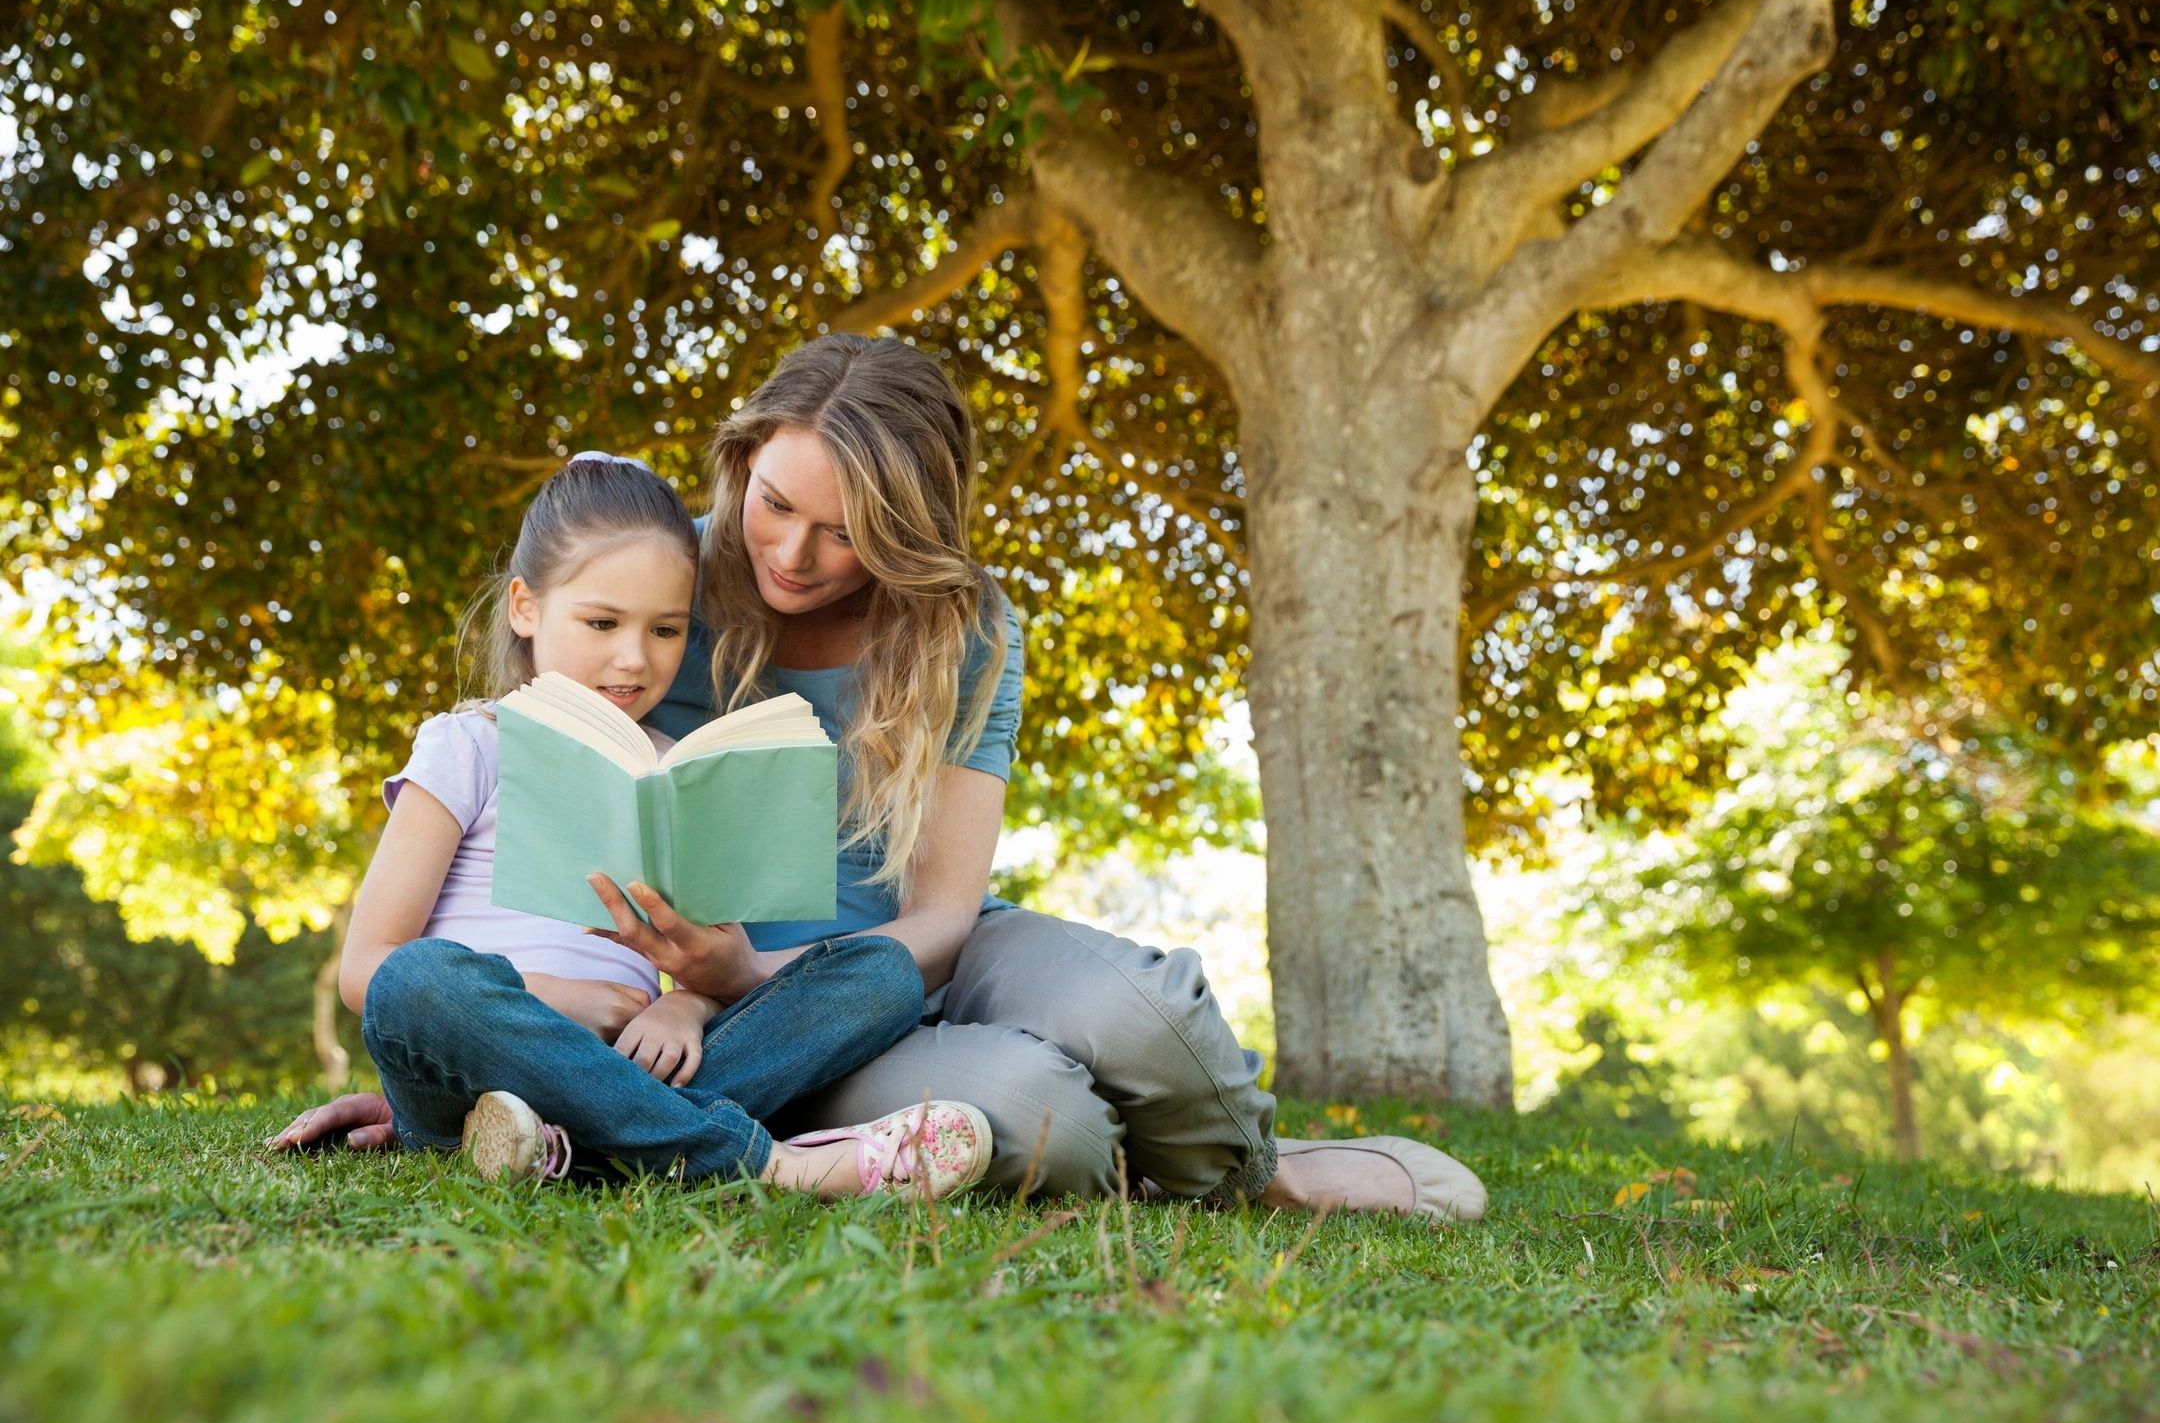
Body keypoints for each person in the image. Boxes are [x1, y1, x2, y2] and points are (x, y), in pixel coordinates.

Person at [598, 335, 1486, 1222]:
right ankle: (1094, 1150)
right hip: (764, 1028)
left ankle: (1255, 1175)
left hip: (925, 957)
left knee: (1146, 1014)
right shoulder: (657, 586)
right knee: (1044, 1119)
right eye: (775, 504)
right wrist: (727, 986)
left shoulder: (963, 624)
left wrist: (763, 967)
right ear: (743, 461)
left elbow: (944, 915)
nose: (793, 555)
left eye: (845, 533)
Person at [268, 453, 991, 1200]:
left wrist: (686, 1004)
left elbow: (713, 957)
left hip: (630, 1062)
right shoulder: (468, 746)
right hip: (463, 1070)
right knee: (418, 980)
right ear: (525, 607)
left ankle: (563, 1146)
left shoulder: (675, 771)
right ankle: (770, 1164)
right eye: (602, 622)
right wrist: (557, 1000)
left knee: (878, 974)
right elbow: (367, 970)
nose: (634, 658)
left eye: (667, 630)